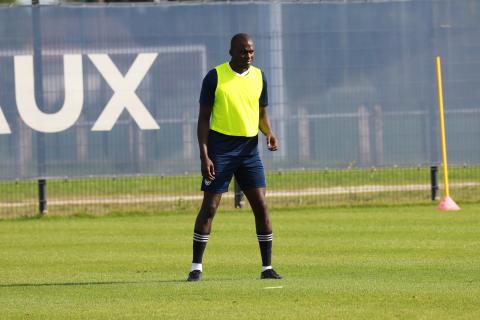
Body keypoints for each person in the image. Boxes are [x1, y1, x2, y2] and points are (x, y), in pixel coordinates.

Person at [187, 33, 282, 282]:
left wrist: (269, 133)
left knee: (261, 206)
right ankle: (196, 267)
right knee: (209, 208)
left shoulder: (260, 76)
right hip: (221, 150)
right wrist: (204, 155)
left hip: (249, 151)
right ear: (231, 52)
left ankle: (267, 268)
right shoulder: (215, 77)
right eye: (243, 51)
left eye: (251, 51)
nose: (248, 56)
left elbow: (261, 114)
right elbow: (203, 119)